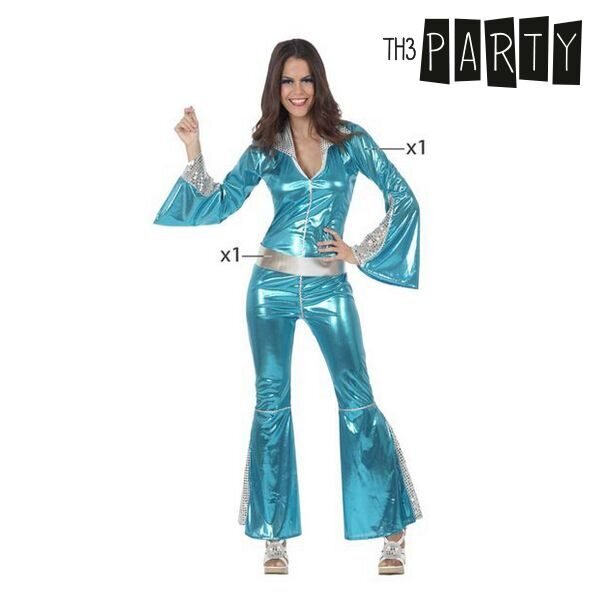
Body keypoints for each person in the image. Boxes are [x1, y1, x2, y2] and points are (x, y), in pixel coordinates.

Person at [153, 38, 422, 575]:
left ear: (318, 83)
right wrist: (193, 149)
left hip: (329, 289)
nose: (297, 91)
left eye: (305, 79)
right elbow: (221, 202)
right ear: (275, 88)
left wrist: (359, 251)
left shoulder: (351, 141)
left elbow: (403, 196)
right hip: (269, 288)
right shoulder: (266, 149)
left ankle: (390, 529)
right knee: (271, 404)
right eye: (287, 81)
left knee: (357, 399)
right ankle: (273, 534)